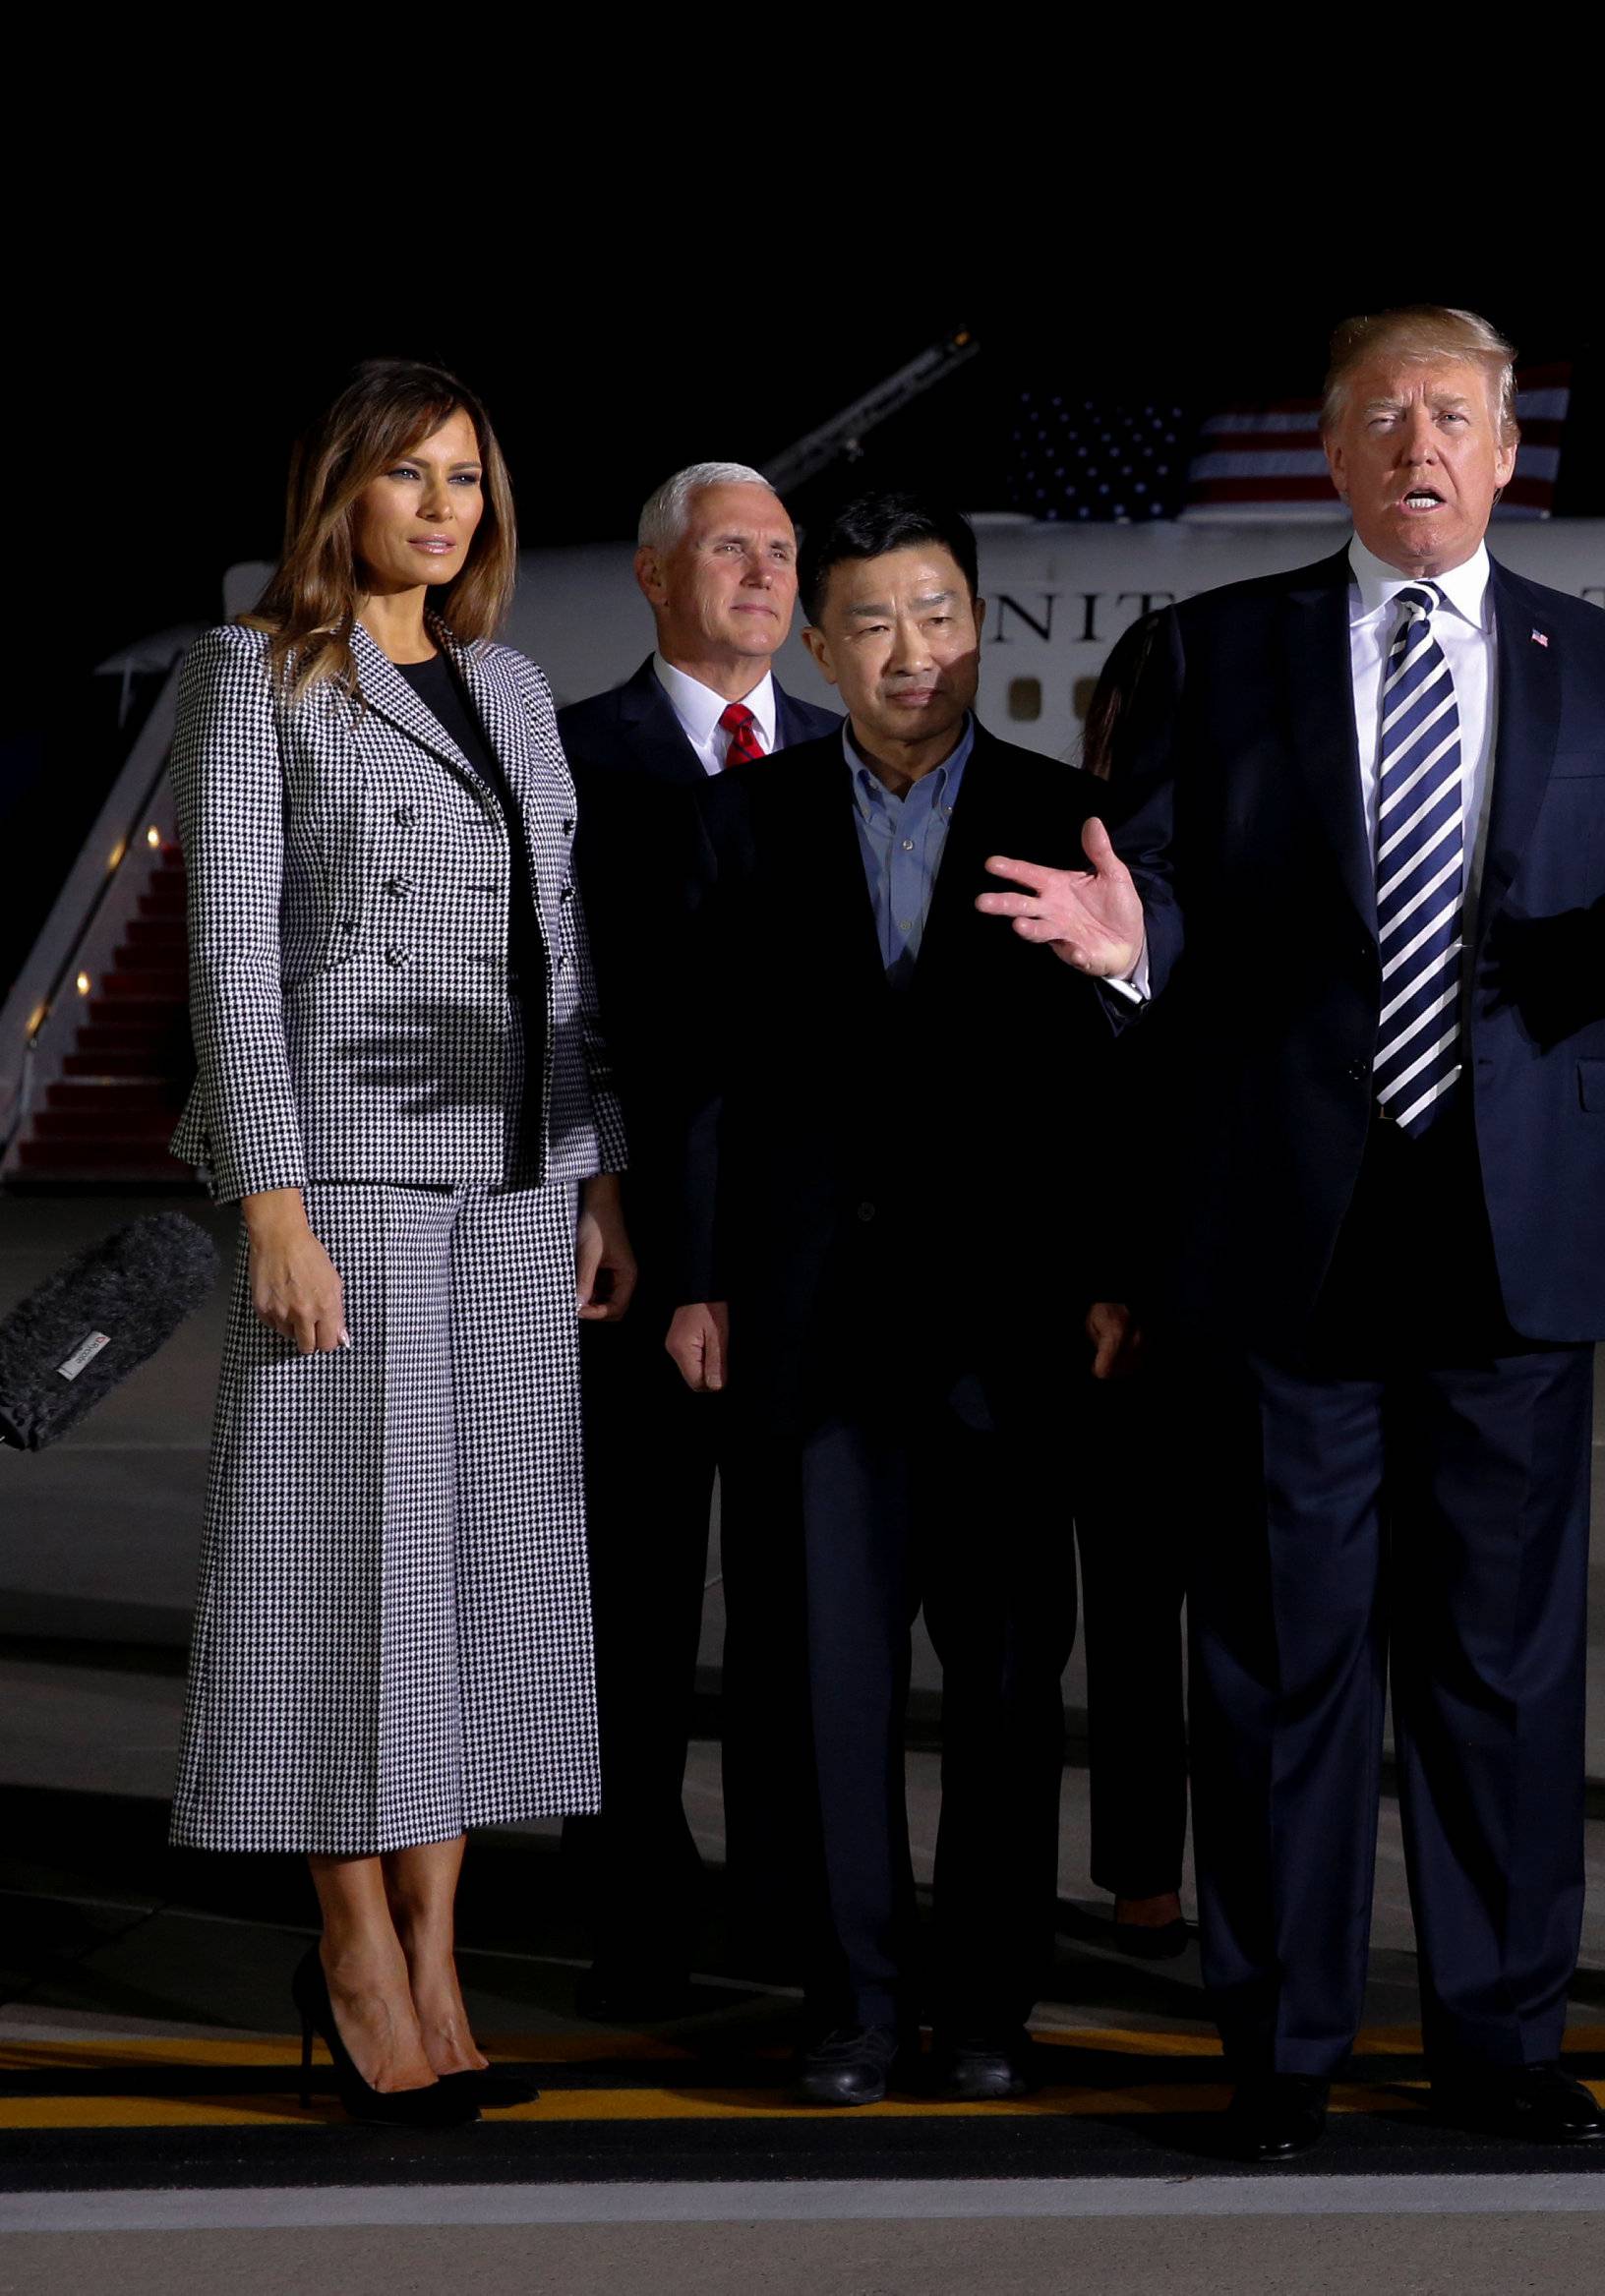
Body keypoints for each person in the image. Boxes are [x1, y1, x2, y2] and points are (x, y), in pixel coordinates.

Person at [974, 306, 1605, 2158]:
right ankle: (1281, 2045)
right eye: (1385, 415)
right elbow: (1155, 889)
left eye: (1457, 415)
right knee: (1278, 1664)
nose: (1421, 443)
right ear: (1334, 454)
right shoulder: (1211, 652)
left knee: (1504, 1666)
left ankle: (1499, 2036)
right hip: (1286, 1237)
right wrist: (1132, 949)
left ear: (1507, 456)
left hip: (1515, 1236)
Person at [167, 358, 634, 2126]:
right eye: (408, 477)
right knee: (341, 1585)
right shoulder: (261, 673)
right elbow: (229, 951)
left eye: (464, 479)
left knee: (474, 1587)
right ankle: (356, 1956)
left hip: (514, 1196)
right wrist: (272, 1202)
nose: (442, 508)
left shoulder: (515, 688)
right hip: (349, 1194)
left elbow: (559, 950)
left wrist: (595, 1170)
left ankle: (446, 1963)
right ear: (339, 494)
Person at [665, 493, 1115, 2105]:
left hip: (1010, 1332)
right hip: (817, 1328)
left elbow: (1119, 1080)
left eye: (936, 613)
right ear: (815, 642)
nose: (910, 651)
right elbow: (705, 1082)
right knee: (829, 1692)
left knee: (1006, 1687)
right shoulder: (745, 822)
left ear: (979, 623)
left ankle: (989, 2006)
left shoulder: (1074, 820)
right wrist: (703, 1278)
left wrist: (1115, 1273)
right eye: (870, 621)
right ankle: (852, 2005)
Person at [558, 464, 839, 2008]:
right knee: (639, 1596)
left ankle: (790, 1902)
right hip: (631, 1247)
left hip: (802, 1254)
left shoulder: (838, 750)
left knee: (798, 1596)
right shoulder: (570, 756)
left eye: (782, 553)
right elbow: (561, 999)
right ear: (657, 577)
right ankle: (632, 1904)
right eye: (729, 548)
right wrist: (603, 1188)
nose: (763, 573)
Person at [1070, 619, 1190, 1960]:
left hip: (1229, 1283)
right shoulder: (1083, 860)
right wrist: (1109, 1279)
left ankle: (1157, 1874)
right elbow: (1069, 1108)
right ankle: (1145, 1876)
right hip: (1123, 1298)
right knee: (1140, 1602)